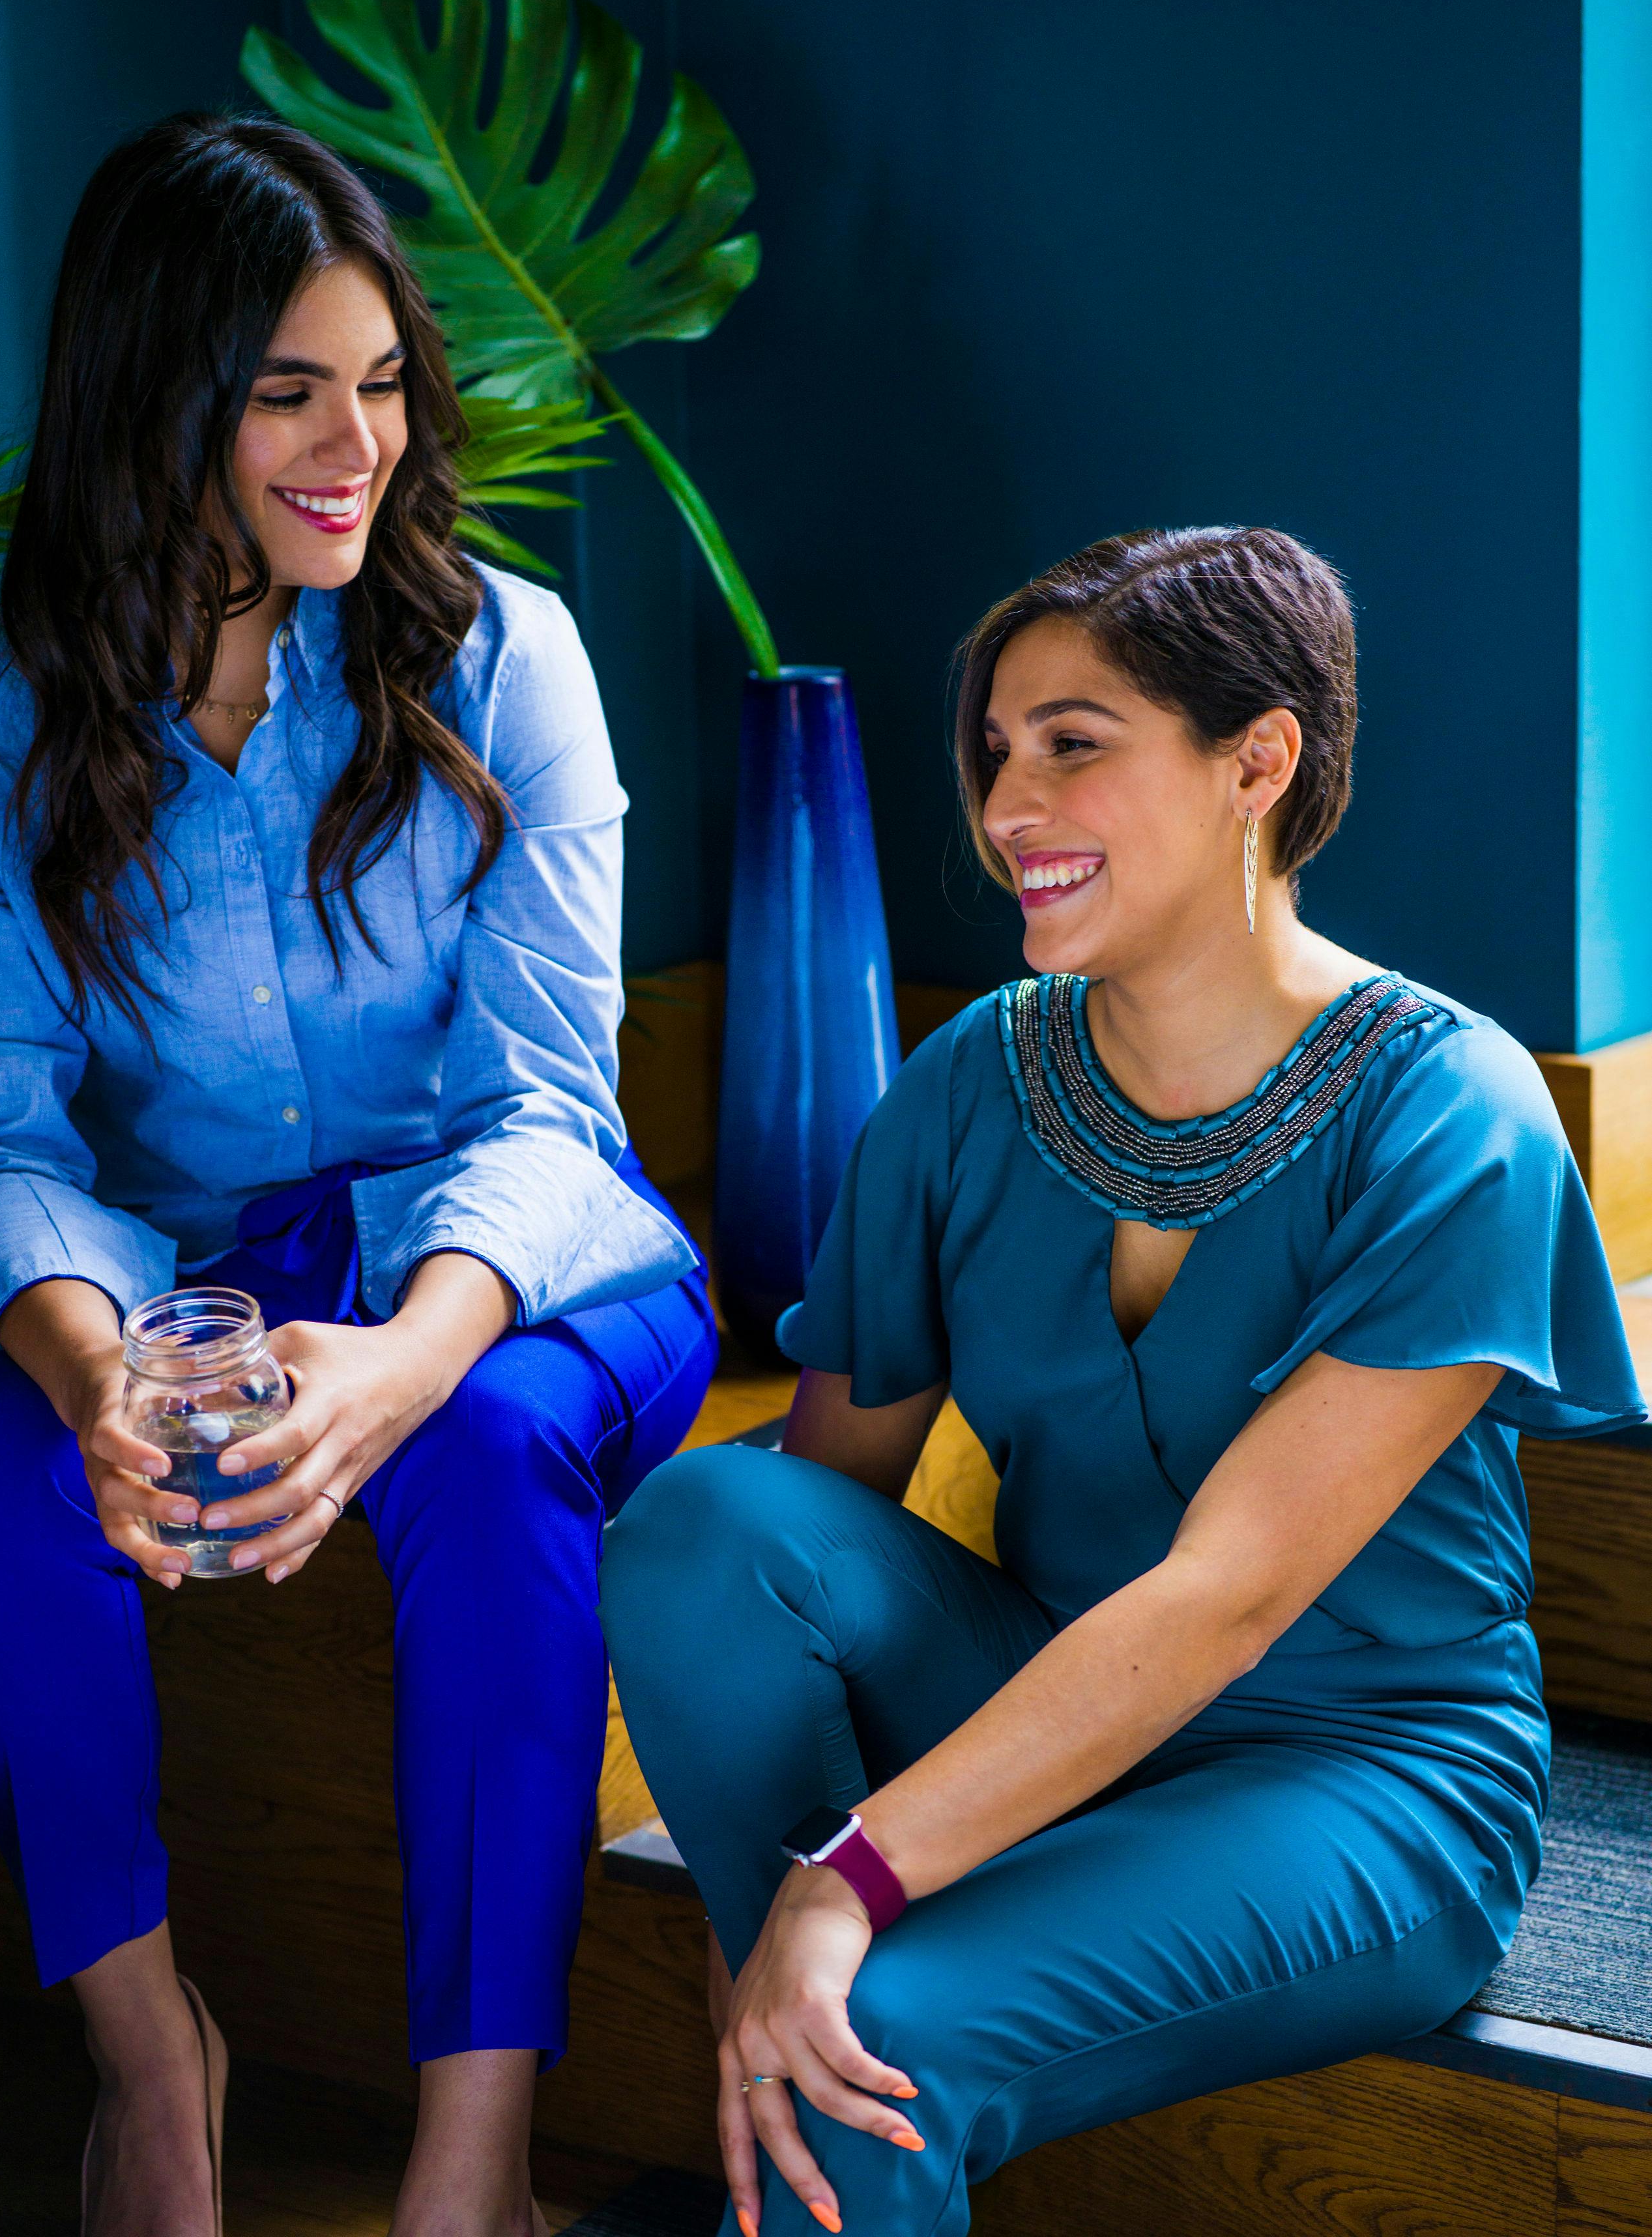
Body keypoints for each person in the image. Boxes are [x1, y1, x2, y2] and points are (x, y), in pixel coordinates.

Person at [601, 527, 1647, 2237]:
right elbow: (811, 1527)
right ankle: (803, 2065)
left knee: (884, 2032)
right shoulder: (963, 1087)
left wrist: (849, 1874)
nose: (1007, 802)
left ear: (1258, 761)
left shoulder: (1449, 1112)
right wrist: (827, 1871)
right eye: (993, 751)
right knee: (709, 1516)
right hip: (1042, 1707)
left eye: (1072, 743)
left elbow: (1226, 1600)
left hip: (1357, 1779)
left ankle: (827, 2071)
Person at [0, 113, 716, 2237]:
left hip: (517, 1268)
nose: (350, 444)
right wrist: (100, 1378)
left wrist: (387, 1367)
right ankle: (147, 2071)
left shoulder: (505, 657)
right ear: (149, 396)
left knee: (478, 1441)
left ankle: (471, 2167)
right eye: (286, 393)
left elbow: (553, 1108)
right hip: (167, 1276)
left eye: (378, 385)